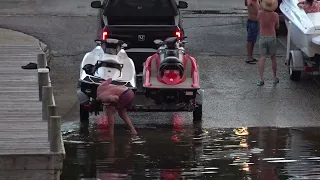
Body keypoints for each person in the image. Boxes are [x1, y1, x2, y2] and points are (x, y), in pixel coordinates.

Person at [256, 0, 280, 86]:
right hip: (272, 37)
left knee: (262, 57)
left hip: (263, 37)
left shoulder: (260, 14)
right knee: (273, 57)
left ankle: (261, 78)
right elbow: (277, 27)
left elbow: (258, 22)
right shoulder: (275, 15)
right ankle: (274, 77)